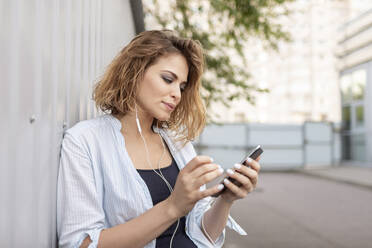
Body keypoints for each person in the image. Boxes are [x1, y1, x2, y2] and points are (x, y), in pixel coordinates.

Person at [57, 30, 260, 248]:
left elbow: (202, 234)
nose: (177, 94)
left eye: (181, 86)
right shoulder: (84, 141)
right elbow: (81, 244)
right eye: (168, 79)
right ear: (134, 72)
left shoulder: (177, 144)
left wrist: (226, 199)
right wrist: (172, 207)